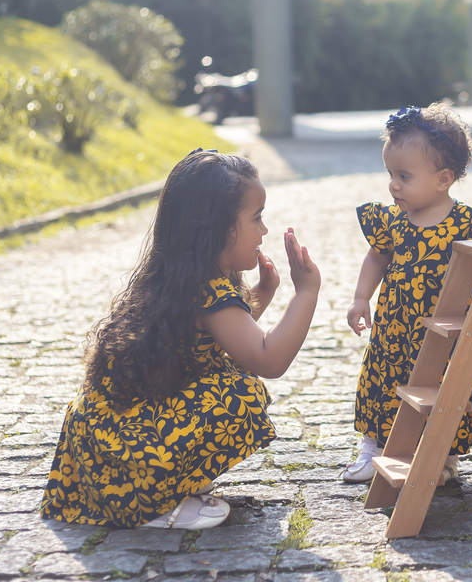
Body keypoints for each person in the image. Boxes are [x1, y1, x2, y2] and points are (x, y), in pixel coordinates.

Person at [40, 149, 320, 530]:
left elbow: (218, 339)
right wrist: (305, 293)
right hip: (123, 457)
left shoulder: (182, 275)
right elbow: (268, 360)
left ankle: (166, 486)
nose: (264, 231)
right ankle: (157, 506)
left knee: (223, 370)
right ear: (222, 229)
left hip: (104, 443)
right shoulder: (208, 287)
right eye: (257, 218)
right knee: (242, 395)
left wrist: (261, 295)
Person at [343, 102, 472, 483]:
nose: (393, 184)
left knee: (447, 389)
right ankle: (372, 447)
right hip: (397, 329)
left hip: (447, 332)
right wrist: (361, 297)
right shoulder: (392, 220)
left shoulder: (471, 223)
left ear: (443, 179)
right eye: (390, 173)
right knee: (383, 384)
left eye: (404, 176)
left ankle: (441, 455)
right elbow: (377, 258)